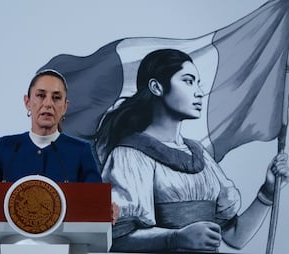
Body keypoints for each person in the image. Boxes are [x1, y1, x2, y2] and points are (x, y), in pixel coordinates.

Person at [95, 49, 289, 252]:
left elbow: (234, 237)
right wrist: (175, 238)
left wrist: (267, 192)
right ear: (156, 87)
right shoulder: (130, 155)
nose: (198, 92)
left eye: (198, 83)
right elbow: (116, 238)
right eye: (188, 81)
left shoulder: (200, 154)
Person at [0, 69, 102, 183]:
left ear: (65, 107)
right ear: (27, 102)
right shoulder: (6, 147)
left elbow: (96, 200)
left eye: (56, 98)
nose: (48, 104)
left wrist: (107, 206)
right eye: (41, 96)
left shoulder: (80, 150)